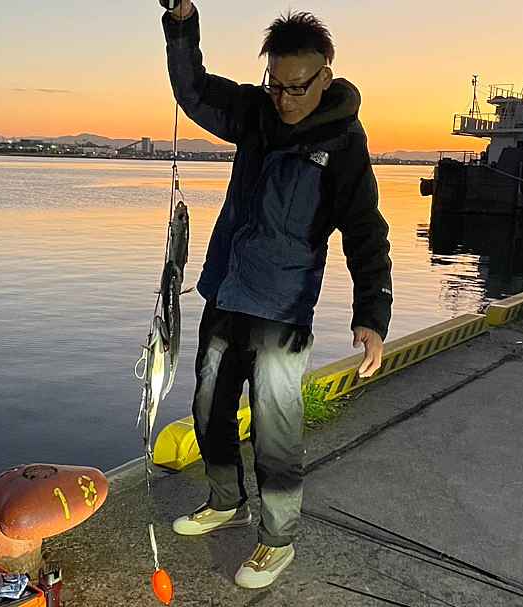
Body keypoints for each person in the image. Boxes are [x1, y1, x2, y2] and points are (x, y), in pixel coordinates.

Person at [158, 0, 393, 589]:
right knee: (208, 408)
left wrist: (372, 315)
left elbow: (366, 231)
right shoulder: (256, 114)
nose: (283, 99)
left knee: (275, 430)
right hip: (226, 291)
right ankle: (224, 500)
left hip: (283, 310)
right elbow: (193, 91)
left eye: (296, 87)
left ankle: (277, 538)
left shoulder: (342, 143)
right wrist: (183, 21)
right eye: (275, 84)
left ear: (325, 77)